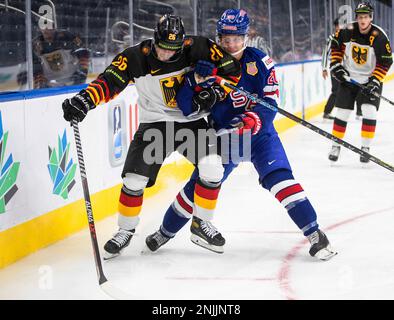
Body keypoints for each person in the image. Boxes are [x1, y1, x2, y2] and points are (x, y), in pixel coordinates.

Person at [145, 9, 337, 261]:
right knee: (199, 187)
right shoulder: (208, 63)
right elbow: (185, 105)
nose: (231, 43)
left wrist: (255, 117)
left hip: (260, 137)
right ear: (219, 37)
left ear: (246, 37)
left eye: (236, 38)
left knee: (280, 180)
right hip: (225, 139)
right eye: (225, 38)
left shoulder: (260, 61)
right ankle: (164, 232)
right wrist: (194, 80)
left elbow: (270, 101)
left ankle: (314, 233)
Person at [62, 14, 241, 259]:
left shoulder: (199, 47)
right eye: (162, 48)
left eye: (173, 50)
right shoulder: (135, 57)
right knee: (134, 180)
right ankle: (124, 231)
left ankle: (201, 224)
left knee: (213, 168)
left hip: (192, 124)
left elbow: (232, 71)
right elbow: (108, 82)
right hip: (155, 124)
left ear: (183, 44)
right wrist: (85, 100)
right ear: (154, 40)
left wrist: (214, 92)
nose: (166, 54)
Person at [328, 2, 393, 163]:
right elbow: (335, 46)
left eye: (366, 17)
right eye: (360, 17)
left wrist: (375, 80)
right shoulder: (348, 30)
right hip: (349, 79)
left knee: (369, 111)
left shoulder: (379, 36)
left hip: (370, 81)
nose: (363, 20)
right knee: (342, 112)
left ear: (370, 18)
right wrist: (337, 66)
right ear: (357, 17)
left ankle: (365, 148)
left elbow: (385, 62)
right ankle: (336, 145)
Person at [18, 24, 90, 88]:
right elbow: (34, 65)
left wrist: (82, 71)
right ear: (40, 28)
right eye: (44, 27)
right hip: (51, 83)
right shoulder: (36, 44)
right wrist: (39, 79)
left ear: (54, 27)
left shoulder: (67, 36)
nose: (47, 30)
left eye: (49, 26)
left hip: (72, 77)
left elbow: (83, 51)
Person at [321, 18, 340, 120]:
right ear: (336, 26)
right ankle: (327, 112)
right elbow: (325, 53)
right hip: (335, 69)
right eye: (338, 25)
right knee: (336, 91)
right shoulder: (331, 39)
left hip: (346, 69)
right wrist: (324, 68)